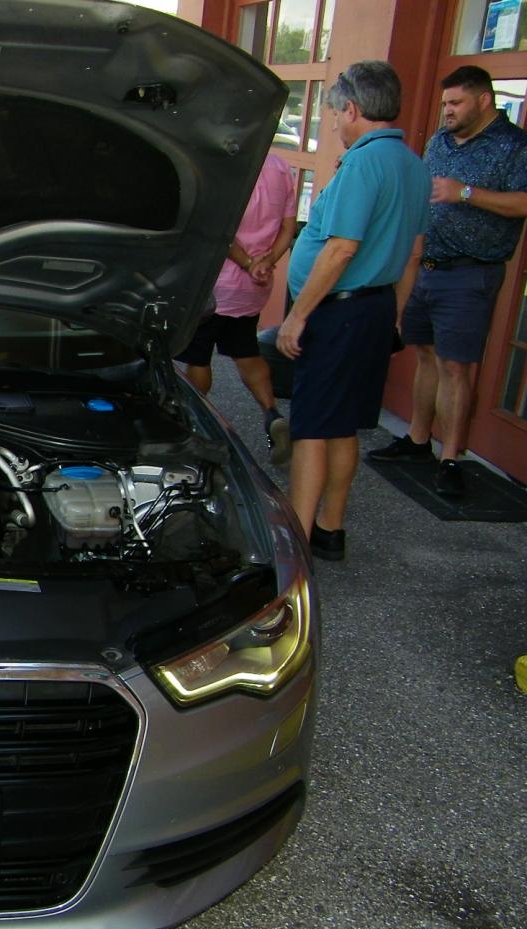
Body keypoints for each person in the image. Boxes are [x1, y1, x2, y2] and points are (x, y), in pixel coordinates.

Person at [275, 61, 430, 562]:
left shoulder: (364, 163)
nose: (334, 125)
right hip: (374, 309)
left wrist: (298, 315)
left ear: (352, 108)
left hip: (338, 313)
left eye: (334, 114)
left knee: (312, 428)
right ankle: (329, 529)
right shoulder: (413, 163)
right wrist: (396, 317)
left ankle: (295, 541)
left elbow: (341, 249)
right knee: (342, 425)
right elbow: (412, 251)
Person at [368, 65, 527, 498]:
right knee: (425, 355)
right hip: (426, 266)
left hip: (470, 271)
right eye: (444, 104)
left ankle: (452, 456)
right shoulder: (440, 141)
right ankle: (418, 440)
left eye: (455, 103)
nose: (447, 111)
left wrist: (467, 193)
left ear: (484, 100)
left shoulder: (514, 146)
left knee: (456, 366)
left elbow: (522, 202)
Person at [175, 153, 297, 465]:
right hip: (253, 288)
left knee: (198, 356)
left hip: (218, 281)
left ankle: (195, 424)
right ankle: (271, 414)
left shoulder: (229, 166)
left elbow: (220, 230)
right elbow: (288, 227)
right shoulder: (282, 167)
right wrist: (266, 262)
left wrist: (246, 262)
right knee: (246, 351)